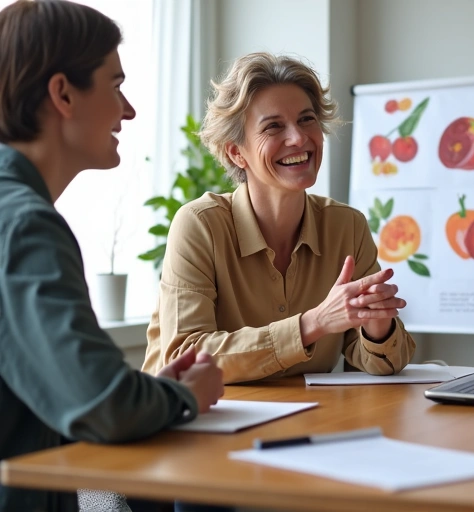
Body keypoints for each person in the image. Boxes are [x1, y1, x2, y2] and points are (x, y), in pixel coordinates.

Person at [0, 1, 225, 511]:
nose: (129, 110)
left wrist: (148, 392)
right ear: (62, 93)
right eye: (114, 84)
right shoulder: (24, 226)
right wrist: (190, 396)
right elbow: (102, 407)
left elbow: (71, 386)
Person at [143, 52, 416, 384]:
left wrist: (376, 326)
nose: (299, 138)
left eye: (306, 119)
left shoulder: (347, 226)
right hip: (198, 426)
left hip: (307, 421)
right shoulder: (199, 225)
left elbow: (386, 363)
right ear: (235, 152)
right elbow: (185, 357)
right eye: (274, 126)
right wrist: (313, 323)